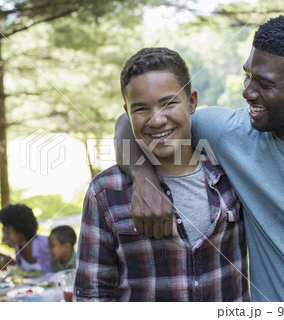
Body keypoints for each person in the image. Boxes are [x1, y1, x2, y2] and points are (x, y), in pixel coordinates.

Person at [115, 14, 284, 302]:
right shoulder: (231, 133)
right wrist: (143, 179)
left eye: (265, 84)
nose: (247, 92)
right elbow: (128, 123)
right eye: (248, 76)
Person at [75, 47, 248, 302]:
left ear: (192, 102)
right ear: (127, 112)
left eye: (168, 103)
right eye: (141, 109)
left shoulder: (231, 173)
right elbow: (92, 295)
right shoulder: (105, 192)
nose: (156, 120)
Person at [0, 204, 52, 273]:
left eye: (8, 233)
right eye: (4, 232)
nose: (4, 238)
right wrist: (10, 262)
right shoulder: (18, 247)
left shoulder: (47, 244)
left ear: (21, 231)